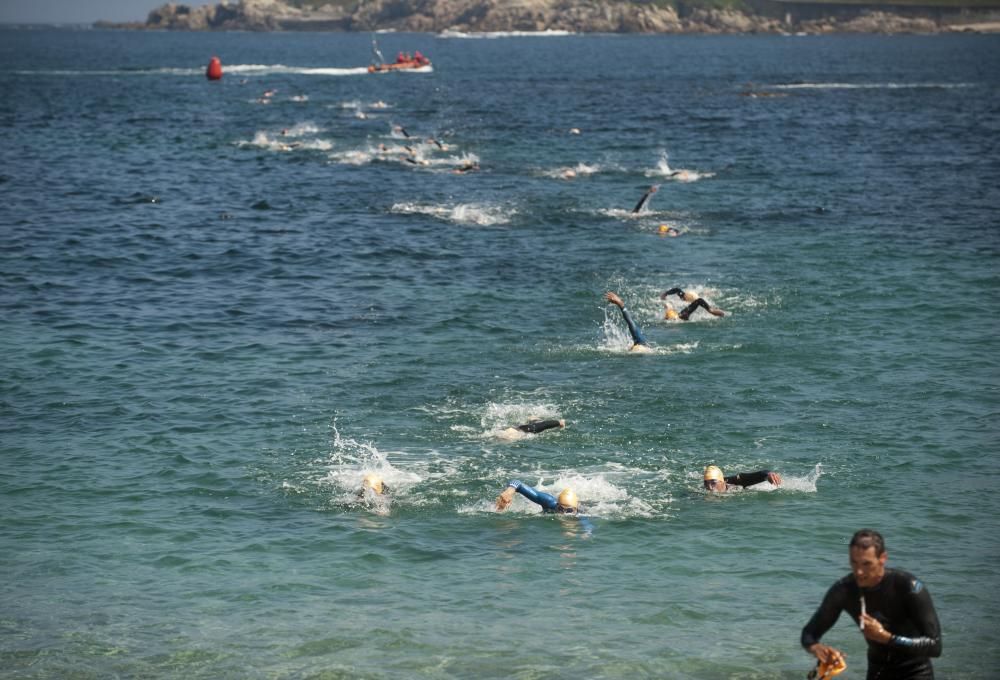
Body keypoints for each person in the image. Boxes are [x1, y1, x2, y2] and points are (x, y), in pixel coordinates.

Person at [801, 529, 942, 680]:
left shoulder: (909, 587)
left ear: (883, 558)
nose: (859, 572)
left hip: (915, 672)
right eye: (854, 562)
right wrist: (817, 649)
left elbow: (935, 646)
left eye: (866, 564)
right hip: (877, 671)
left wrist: (887, 638)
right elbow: (809, 634)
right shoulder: (844, 590)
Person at [496, 480, 580, 514]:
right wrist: (510, 491)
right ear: (557, 505)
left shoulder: (581, 514)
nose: (563, 513)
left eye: (569, 511)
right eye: (561, 509)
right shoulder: (549, 502)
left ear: (576, 510)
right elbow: (516, 482)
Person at [702, 465, 782, 491]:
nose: (709, 487)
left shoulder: (735, 482)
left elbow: (753, 476)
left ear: (721, 481)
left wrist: (768, 474)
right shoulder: (702, 491)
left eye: (713, 482)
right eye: (706, 483)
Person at [660, 287, 725, 320]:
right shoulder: (671, 312)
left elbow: (677, 290)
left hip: (679, 317)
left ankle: (711, 310)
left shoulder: (669, 313)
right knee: (699, 300)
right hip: (680, 317)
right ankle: (711, 310)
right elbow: (677, 290)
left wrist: (665, 294)